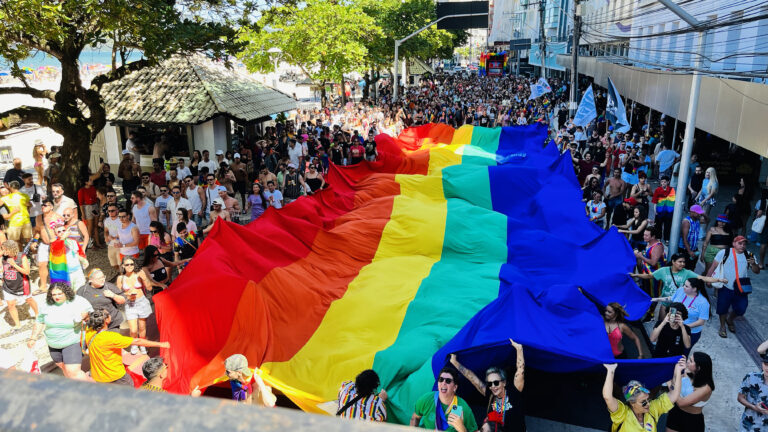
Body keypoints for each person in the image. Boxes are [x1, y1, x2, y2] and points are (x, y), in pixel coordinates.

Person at [451, 339, 526, 431]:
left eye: (496, 382)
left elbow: (520, 370)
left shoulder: (513, 392)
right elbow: (472, 378)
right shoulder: (491, 395)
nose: (493, 386)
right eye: (490, 383)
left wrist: (519, 349)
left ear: (504, 382)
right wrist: (455, 362)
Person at [83, 308, 170, 385]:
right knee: (129, 388)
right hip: (114, 375)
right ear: (107, 320)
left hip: (97, 376)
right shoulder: (110, 337)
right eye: (109, 314)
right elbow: (138, 341)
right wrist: (161, 344)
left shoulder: (89, 330)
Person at [632, 253, 723, 323]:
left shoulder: (687, 273)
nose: (682, 264)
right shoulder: (664, 271)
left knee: (672, 324)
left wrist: (719, 279)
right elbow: (649, 276)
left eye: (684, 262)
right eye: (680, 262)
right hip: (665, 302)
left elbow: (702, 278)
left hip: (678, 304)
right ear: (673, 262)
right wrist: (635, 275)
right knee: (661, 323)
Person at [27, 282, 92, 379]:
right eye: (54, 294)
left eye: (59, 294)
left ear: (66, 292)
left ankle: (90, 391)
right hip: (53, 344)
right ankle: (77, 389)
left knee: (73, 372)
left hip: (72, 342)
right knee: (64, 369)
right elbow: (39, 321)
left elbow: (92, 316)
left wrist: (85, 316)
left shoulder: (78, 301)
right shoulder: (46, 305)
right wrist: (33, 338)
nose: (56, 297)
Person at [602, 359, 685, 432]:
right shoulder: (622, 414)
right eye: (643, 402)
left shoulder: (652, 410)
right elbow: (607, 397)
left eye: (648, 400)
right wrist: (610, 371)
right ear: (632, 403)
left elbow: (674, 395)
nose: (648, 404)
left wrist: (678, 370)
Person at [706, 235, 760, 338]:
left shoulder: (750, 255)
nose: (742, 246)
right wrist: (708, 279)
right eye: (740, 243)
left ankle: (730, 319)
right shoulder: (724, 253)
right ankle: (722, 326)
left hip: (741, 288)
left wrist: (753, 264)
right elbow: (713, 266)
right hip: (725, 285)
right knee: (722, 308)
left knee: (741, 309)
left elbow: (757, 271)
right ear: (734, 243)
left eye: (744, 244)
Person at [410, 366, 478, 432]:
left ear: (455, 387)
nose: (443, 383)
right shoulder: (426, 399)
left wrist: (462, 428)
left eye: (448, 381)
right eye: (441, 379)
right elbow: (415, 418)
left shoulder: (463, 407)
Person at [665, 352, 714, 432]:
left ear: (698, 368)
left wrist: (669, 383)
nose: (687, 361)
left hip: (692, 420)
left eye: (691, 361)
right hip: (675, 413)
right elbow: (675, 382)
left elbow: (681, 403)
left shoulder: (706, 388)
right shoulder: (687, 371)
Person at [116, 256, 155, 355]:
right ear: (123, 266)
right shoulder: (121, 278)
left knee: (142, 328)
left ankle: (142, 345)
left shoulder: (139, 274)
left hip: (141, 302)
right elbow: (118, 293)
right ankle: (134, 344)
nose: (129, 266)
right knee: (133, 329)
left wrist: (145, 278)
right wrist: (127, 295)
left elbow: (149, 288)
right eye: (127, 264)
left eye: (131, 264)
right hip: (130, 304)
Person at [1, 239, 38, 330]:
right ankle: (17, 325)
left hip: (22, 285)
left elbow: (27, 271)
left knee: (29, 300)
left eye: (5, 249)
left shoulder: (21, 257)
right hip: (8, 286)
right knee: (10, 304)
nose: (3, 251)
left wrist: (14, 265)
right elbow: (3, 270)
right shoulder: (3, 258)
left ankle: (38, 315)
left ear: (12, 249)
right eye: (2, 249)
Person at [48, 222, 87, 290]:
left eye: (63, 230)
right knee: (68, 293)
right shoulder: (54, 244)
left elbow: (80, 253)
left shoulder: (73, 241)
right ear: (55, 234)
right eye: (59, 232)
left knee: (81, 290)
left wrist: (84, 260)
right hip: (65, 274)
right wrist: (63, 238)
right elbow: (58, 248)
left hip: (77, 271)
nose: (62, 233)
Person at [35, 198, 62, 293]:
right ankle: (43, 286)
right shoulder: (38, 217)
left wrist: (59, 242)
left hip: (55, 243)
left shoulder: (57, 217)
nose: (42, 207)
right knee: (42, 264)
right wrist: (35, 240)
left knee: (56, 265)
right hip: (43, 243)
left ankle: (58, 285)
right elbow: (38, 231)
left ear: (51, 207)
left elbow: (62, 231)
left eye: (45, 205)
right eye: (42, 205)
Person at [737, 351, 768, 432]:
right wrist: (754, 407)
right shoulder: (751, 377)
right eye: (766, 364)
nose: (767, 368)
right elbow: (740, 397)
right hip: (747, 425)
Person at [3, 180, 33, 248]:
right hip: (26, 221)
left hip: (15, 222)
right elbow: (29, 204)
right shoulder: (25, 196)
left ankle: (18, 257)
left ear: (11, 187)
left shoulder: (7, 197)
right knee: (28, 240)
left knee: (14, 242)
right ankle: (31, 255)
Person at [77, 176, 101, 249]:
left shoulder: (93, 188)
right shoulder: (81, 191)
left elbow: (96, 198)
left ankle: (97, 242)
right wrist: (83, 214)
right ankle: (90, 244)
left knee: (96, 226)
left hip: (95, 206)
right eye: (90, 180)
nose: (92, 181)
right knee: (89, 227)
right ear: (86, 182)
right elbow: (81, 204)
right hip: (87, 207)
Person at [679, 205, 706, 270]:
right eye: (698, 213)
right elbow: (684, 238)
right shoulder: (686, 222)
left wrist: (703, 214)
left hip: (693, 249)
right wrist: (689, 251)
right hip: (685, 250)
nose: (700, 214)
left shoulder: (697, 220)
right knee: (684, 268)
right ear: (692, 212)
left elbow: (707, 220)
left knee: (692, 268)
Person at [652, 176, 676, 242]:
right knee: (658, 225)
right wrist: (655, 211)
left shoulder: (672, 190)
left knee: (667, 225)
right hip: (659, 210)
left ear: (668, 182)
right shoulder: (657, 190)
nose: (663, 183)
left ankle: (666, 239)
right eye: (662, 182)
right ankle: (658, 237)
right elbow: (655, 201)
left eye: (665, 182)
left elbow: (673, 200)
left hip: (669, 211)